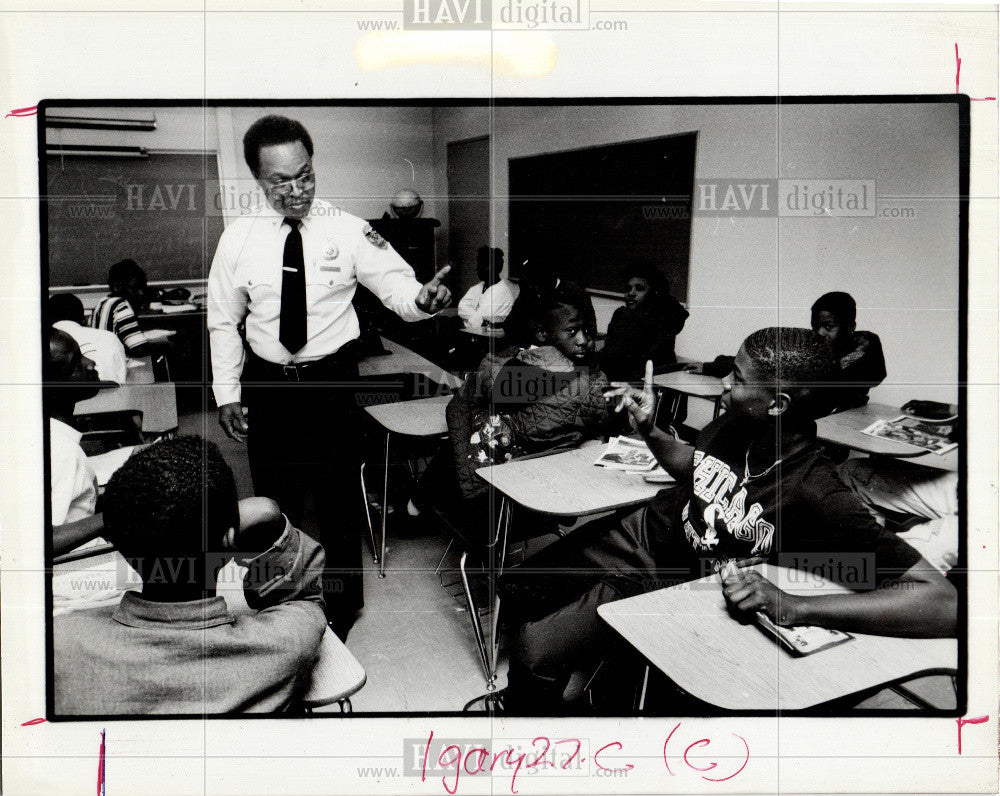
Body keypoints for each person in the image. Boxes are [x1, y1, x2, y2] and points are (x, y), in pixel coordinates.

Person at [502, 328, 956, 713]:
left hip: (667, 574)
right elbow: (696, 468)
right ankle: (588, 685)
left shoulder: (816, 492)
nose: (723, 384)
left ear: (777, 404)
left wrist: (795, 605)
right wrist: (651, 430)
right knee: (519, 588)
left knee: (532, 653)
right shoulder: (738, 422)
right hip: (641, 530)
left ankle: (548, 743)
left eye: (736, 377)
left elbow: (941, 603)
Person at [207, 115, 452, 638]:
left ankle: (342, 609)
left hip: (331, 380)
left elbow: (398, 288)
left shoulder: (348, 228)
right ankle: (279, 601)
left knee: (339, 496)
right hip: (268, 383)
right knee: (274, 501)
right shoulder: (237, 239)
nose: (296, 190)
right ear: (258, 178)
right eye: (280, 181)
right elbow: (223, 320)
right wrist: (227, 393)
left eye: (306, 175)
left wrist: (422, 302)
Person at [53, 436, 327, 715]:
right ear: (229, 539)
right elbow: (304, 596)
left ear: (118, 539)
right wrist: (268, 512)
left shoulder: (59, 645)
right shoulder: (285, 644)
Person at [415, 288, 614, 520]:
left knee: (461, 440)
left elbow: (474, 394)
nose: (583, 340)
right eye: (572, 331)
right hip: (536, 492)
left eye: (587, 330)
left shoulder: (511, 362)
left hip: (497, 490)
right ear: (542, 334)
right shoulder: (588, 380)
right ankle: (416, 506)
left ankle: (414, 507)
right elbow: (604, 425)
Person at [601, 262, 689, 381]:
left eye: (640, 288)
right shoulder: (620, 315)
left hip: (651, 385)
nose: (631, 293)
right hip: (618, 382)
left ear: (654, 293)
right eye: (628, 288)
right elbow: (609, 355)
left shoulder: (663, 318)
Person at [810, 291, 886, 411]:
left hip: (851, 412)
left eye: (828, 327)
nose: (820, 333)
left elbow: (877, 376)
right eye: (815, 327)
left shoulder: (865, 343)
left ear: (851, 327)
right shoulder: (811, 345)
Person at [502, 256, 596, 348]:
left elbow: (590, 331)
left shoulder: (575, 293)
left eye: (539, 279)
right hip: (533, 350)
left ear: (551, 274)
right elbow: (509, 327)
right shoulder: (529, 291)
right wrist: (523, 297)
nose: (535, 286)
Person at [47, 293, 128, 384]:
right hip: (116, 395)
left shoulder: (46, 343)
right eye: (76, 363)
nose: (92, 363)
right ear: (84, 319)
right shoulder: (111, 337)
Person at [90, 259, 160, 359]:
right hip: (116, 364)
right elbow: (139, 349)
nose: (141, 293)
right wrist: (167, 345)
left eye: (143, 287)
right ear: (116, 287)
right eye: (135, 288)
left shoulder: (103, 301)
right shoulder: (121, 305)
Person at [457, 247, 519, 329]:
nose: (477, 268)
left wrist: (470, 318)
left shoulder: (502, 292)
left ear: (496, 267)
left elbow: (482, 324)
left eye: (482, 264)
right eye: (478, 264)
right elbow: (462, 308)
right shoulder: (477, 288)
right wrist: (478, 318)